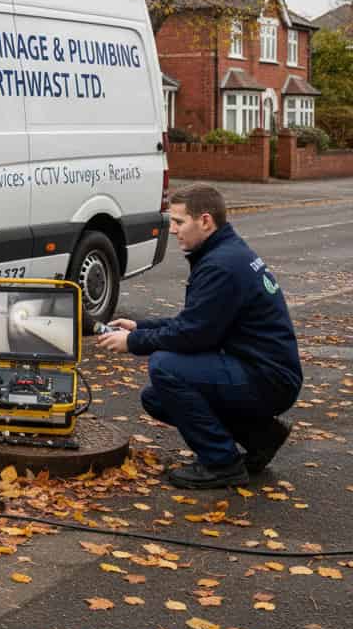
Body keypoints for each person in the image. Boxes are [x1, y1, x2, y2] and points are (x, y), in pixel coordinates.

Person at [95, 183, 302, 489]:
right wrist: (141, 328)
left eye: (179, 222)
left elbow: (193, 335)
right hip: (261, 370)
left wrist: (132, 343)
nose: (173, 230)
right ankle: (261, 437)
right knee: (156, 398)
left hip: (268, 379)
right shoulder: (225, 253)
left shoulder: (221, 265)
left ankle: (222, 464)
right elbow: (198, 322)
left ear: (205, 221)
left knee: (165, 367)